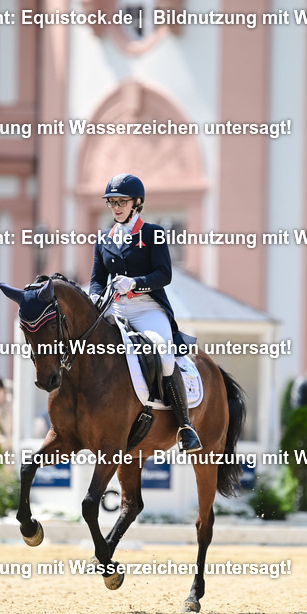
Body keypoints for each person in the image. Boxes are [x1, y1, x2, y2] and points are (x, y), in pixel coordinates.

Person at [88, 172, 201, 453]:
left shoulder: (152, 233)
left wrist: (136, 283)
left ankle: (185, 426)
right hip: (115, 309)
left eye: (121, 201)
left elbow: (164, 274)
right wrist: (93, 295)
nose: (116, 207)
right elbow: (96, 278)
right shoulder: (104, 238)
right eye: (112, 202)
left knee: (163, 354)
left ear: (137, 203)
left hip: (147, 309)